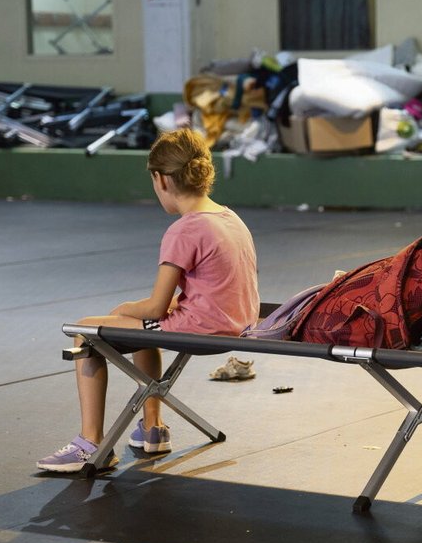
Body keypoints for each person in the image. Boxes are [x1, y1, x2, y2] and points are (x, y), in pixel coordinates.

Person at [37, 129, 261, 472]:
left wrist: (123, 309)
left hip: (201, 329)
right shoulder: (231, 218)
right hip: (236, 324)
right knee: (144, 326)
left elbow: (156, 307)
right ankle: (152, 429)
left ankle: (90, 444)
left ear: (161, 180)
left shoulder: (185, 229)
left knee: (87, 330)